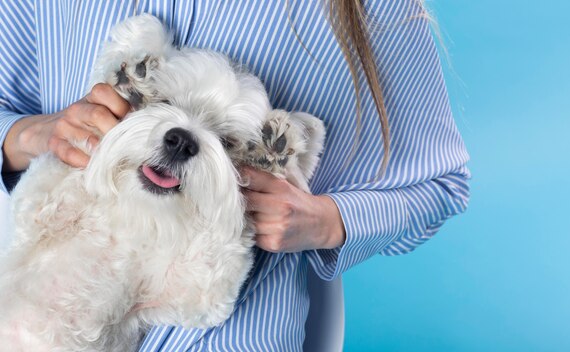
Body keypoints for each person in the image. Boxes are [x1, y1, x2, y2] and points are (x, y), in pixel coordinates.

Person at [0, 0, 470, 350]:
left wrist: (328, 220)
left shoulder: (378, 11)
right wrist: (26, 134)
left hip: (230, 329)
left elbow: (442, 187)